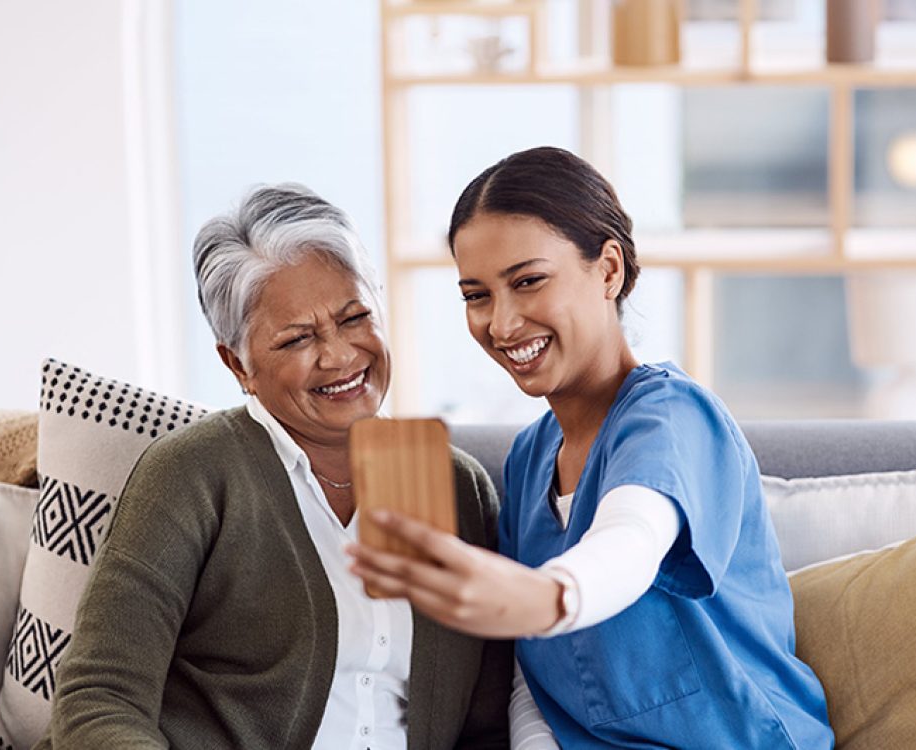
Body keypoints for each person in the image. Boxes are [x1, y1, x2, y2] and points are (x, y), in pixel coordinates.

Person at [347, 147, 834, 748]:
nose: (500, 324)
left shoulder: (675, 416)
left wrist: (545, 598)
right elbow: (538, 685)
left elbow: (631, 539)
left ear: (608, 270)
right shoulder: (529, 462)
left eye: (528, 281)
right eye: (476, 295)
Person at [35, 184, 511, 749]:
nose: (338, 355)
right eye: (296, 339)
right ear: (237, 363)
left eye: (355, 316)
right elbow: (99, 698)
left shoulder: (459, 490)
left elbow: (485, 725)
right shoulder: (191, 474)